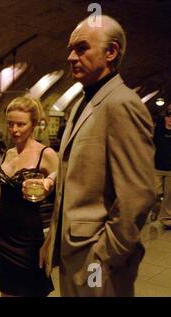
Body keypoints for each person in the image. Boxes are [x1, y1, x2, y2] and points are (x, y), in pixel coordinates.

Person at [39, 15, 156, 297]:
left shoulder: (122, 104)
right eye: (70, 49)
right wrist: (52, 239)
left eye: (81, 48)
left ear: (111, 52)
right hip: (73, 251)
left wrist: (104, 256)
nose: (70, 57)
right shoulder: (84, 102)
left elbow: (138, 193)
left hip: (96, 260)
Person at [0, 96, 58, 297]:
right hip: (0, 233)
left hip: (28, 237)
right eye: (10, 124)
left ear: (34, 124)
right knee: (6, 291)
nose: (14, 129)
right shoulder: (8, 153)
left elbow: (61, 202)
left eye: (21, 124)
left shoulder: (46, 154)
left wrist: (51, 241)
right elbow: (7, 188)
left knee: (31, 291)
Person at [152, 104, 171, 228]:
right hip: (157, 168)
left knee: (169, 196)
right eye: (169, 116)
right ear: (165, 118)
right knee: (154, 193)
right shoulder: (157, 130)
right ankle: (155, 209)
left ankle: (166, 219)